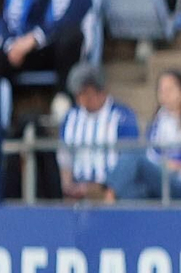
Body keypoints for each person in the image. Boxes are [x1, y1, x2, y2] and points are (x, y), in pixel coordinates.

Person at [110, 70, 181, 200]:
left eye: (170, 89)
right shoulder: (155, 125)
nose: (165, 94)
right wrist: (163, 165)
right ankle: (111, 206)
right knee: (133, 193)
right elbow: (150, 157)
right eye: (161, 90)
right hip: (159, 180)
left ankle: (107, 195)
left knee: (132, 157)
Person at [55, 61, 139, 202]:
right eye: (78, 95)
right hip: (78, 190)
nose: (81, 100)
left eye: (86, 93)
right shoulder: (70, 118)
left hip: (111, 192)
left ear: (100, 91)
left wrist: (104, 188)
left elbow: (130, 158)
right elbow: (64, 158)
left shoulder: (122, 117)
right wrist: (68, 187)